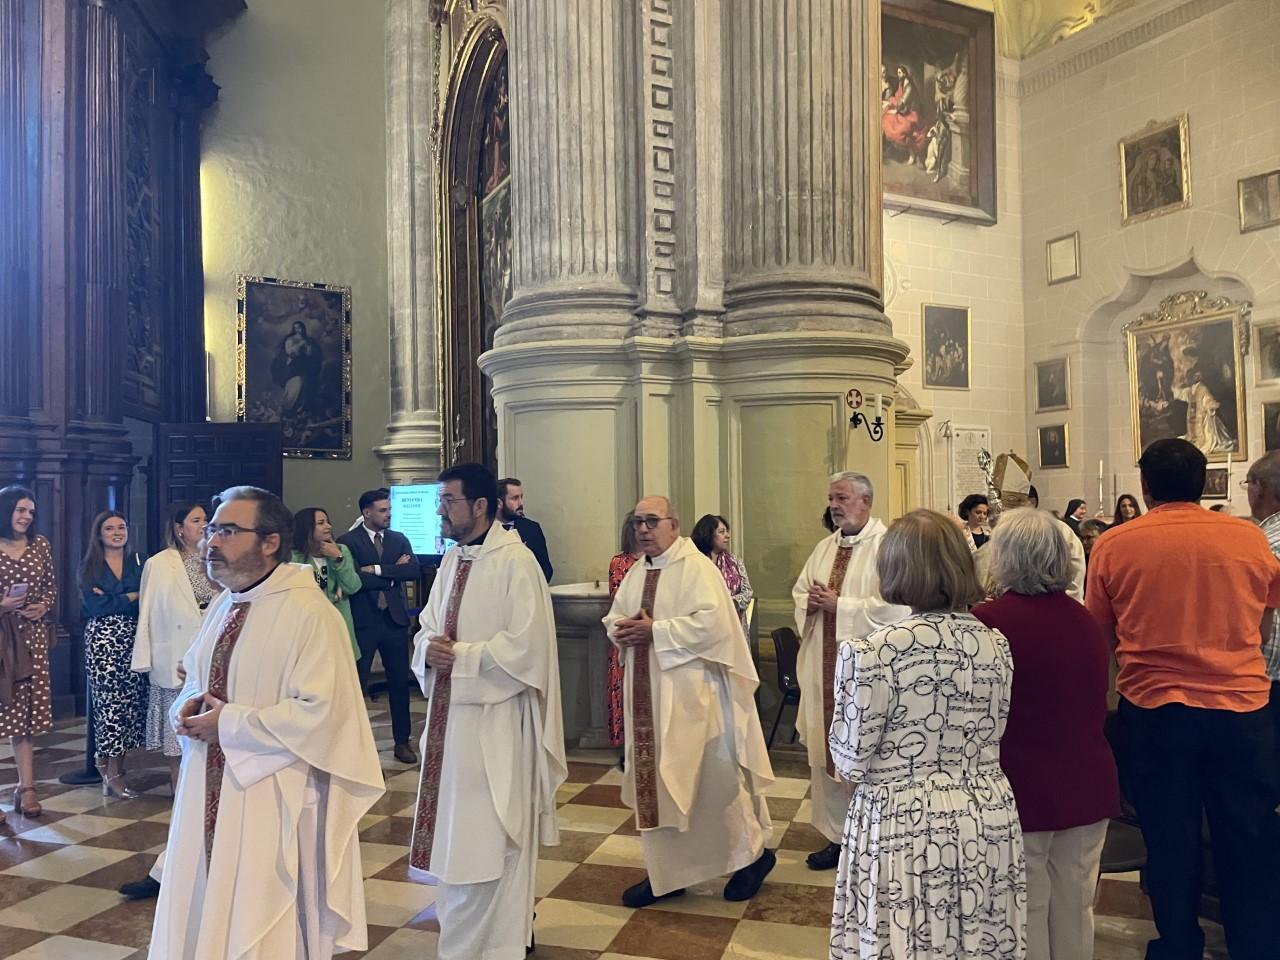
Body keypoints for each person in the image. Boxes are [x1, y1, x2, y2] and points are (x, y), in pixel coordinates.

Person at [148, 485, 384, 960]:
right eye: (212, 529)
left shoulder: (309, 612)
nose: (211, 542)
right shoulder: (225, 603)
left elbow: (323, 712)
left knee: (264, 917)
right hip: (208, 785)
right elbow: (193, 679)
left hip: (275, 794)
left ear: (271, 541)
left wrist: (229, 724)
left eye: (228, 531)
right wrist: (187, 710)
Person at [1086, 438, 1280, 960]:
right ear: (1203, 483)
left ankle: (1178, 944)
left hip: (1155, 710)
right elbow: (1268, 614)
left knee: (1170, 838)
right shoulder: (1247, 537)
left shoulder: (1115, 544)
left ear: (1145, 486)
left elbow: (1099, 633)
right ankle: (1256, 946)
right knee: (1250, 834)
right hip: (1242, 708)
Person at [829, 509, 1026, 959]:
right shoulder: (995, 645)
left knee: (905, 941)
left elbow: (850, 758)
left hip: (904, 819)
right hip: (986, 814)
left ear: (893, 569)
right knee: (977, 939)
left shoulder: (872, 653)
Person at [409, 463, 566, 959]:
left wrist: (458, 656)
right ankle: (471, 940)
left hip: (497, 725)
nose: (441, 511)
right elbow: (428, 627)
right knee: (458, 837)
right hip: (450, 724)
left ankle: (501, 943)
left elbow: (528, 649)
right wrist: (426, 651)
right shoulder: (453, 561)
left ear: (480, 506)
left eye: (448, 501)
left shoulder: (517, 564)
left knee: (493, 837)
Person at [604, 495, 775, 908]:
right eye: (637, 522)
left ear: (673, 525)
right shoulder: (637, 571)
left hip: (693, 699)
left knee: (709, 786)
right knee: (657, 787)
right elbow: (616, 615)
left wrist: (657, 632)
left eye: (651, 521)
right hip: (647, 696)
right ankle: (667, 874)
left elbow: (714, 626)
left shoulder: (696, 567)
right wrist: (621, 629)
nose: (642, 529)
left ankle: (753, 857)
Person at [974, 509, 1120, 960]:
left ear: (1004, 558)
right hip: (1087, 781)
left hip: (1018, 785)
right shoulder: (1084, 620)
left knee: (1026, 907)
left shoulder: (986, 622)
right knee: (1077, 906)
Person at [791, 472, 907, 871]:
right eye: (831, 499)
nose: (834, 506)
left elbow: (897, 608)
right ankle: (837, 838)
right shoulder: (824, 548)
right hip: (824, 673)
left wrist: (841, 605)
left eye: (841, 498)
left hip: (867, 678)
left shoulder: (889, 546)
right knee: (826, 757)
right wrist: (809, 603)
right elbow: (801, 592)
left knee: (864, 755)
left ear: (865, 501)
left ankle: (871, 841)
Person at [133, 502, 217, 795]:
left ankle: (206, 788)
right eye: (196, 520)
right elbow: (147, 612)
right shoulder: (160, 563)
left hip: (208, 648)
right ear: (180, 528)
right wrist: (144, 657)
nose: (204, 525)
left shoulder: (216, 557)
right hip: (174, 652)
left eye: (206, 519)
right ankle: (178, 786)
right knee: (176, 726)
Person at [338, 488, 421, 764]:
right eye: (383, 510)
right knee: (356, 685)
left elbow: (413, 571)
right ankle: (358, 746)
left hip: (394, 621)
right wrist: (391, 574)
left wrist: (374, 569)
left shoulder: (399, 539)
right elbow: (355, 582)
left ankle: (402, 742)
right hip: (364, 622)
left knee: (400, 684)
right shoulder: (348, 542)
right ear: (367, 513)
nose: (389, 515)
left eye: (389, 510)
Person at [79, 510, 147, 799]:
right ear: (99, 534)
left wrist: (114, 599)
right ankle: (108, 769)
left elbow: (146, 599)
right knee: (108, 705)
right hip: (103, 642)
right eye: (110, 528)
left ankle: (118, 766)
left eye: (122, 527)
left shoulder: (139, 563)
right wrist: (128, 597)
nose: (117, 532)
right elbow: (94, 607)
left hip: (134, 639)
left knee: (130, 705)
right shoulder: (89, 566)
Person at [0, 485, 56, 822]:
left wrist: (42, 607)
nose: (26, 517)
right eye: (21, 510)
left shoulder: (40, 545)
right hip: (1, 636)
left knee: (26, 716)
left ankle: (27, 788)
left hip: (31, 638)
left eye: (31, 512)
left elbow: (51, 585)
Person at [1245, 451, 1280, 792]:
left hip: (1270, 673)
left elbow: (1254, 616)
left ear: (1259, 489)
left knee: (1263, 782)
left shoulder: (1261, 545)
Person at [292, 507, 361, 658]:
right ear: (307, 528)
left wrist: (338, 558)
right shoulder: (293, 558)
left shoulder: (341, 550)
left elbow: (353, 586)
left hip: (339, 626)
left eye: (328, 522)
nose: (328, 526)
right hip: (310, 628)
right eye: (321, 523)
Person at [606, 514, 642, 752]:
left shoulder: (658, 561)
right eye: (639, 525)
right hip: (627, 635)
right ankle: (626, 743)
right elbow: (619, 600)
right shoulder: (620, 562)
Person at [690, 514, 753, 635]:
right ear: (708, 534)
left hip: (734, 626)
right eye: (721, 532)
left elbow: (747, 592)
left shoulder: (735, 562)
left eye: (727, 531)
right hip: (705, 627)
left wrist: (730, 603)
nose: (727, 536)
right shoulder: (695, 563)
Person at [497, 477, 553, 582]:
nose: (520, 503)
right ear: (499, 503)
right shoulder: (485, 531)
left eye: (521, 497)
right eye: (515, 498)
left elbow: (546, 570)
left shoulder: (532, 529)